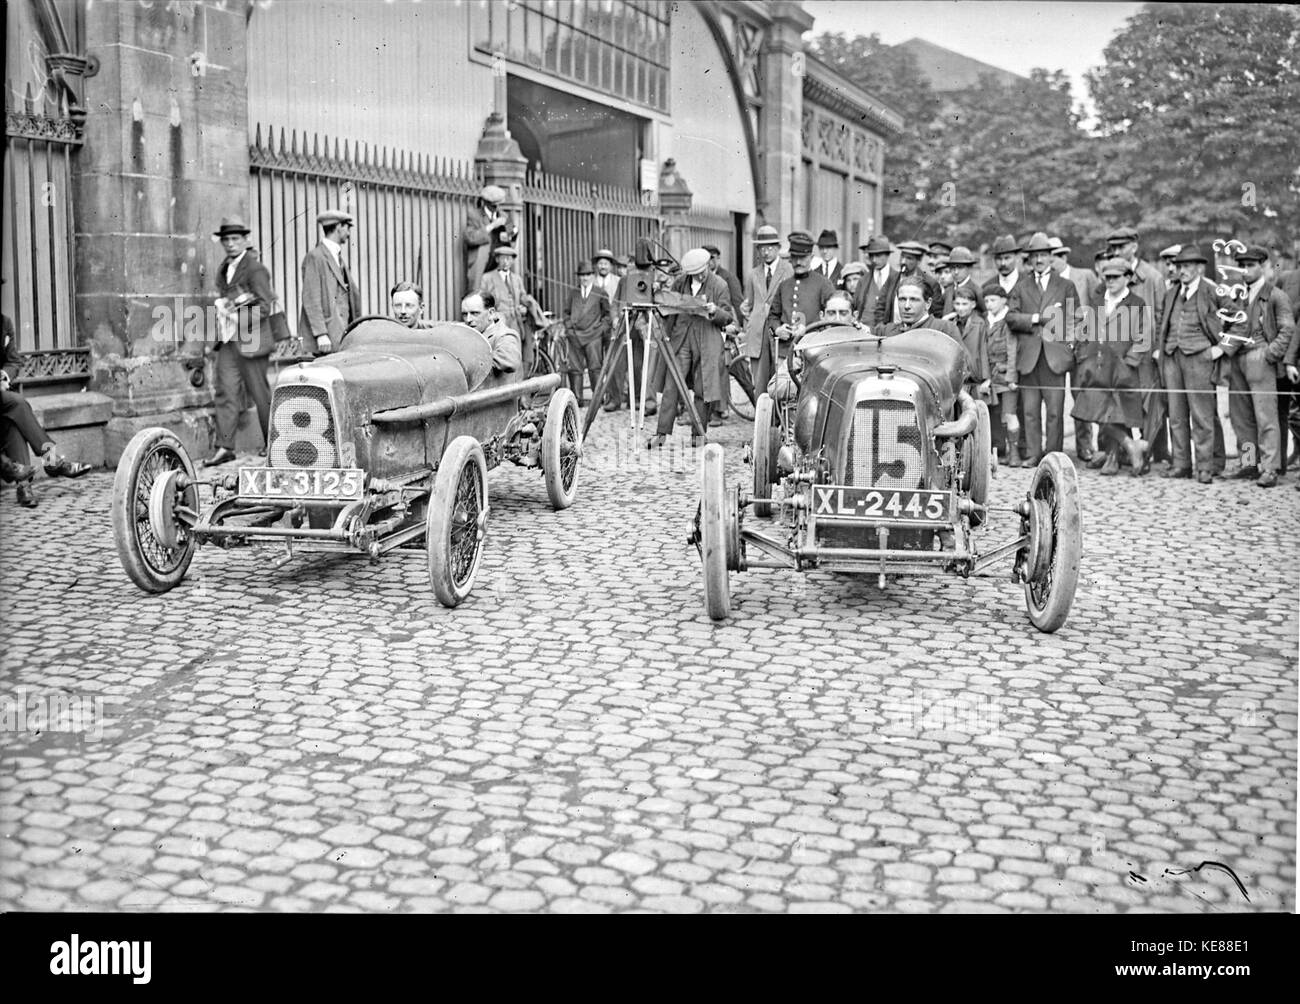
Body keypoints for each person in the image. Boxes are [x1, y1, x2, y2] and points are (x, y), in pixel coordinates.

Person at [1221, 245, 1295, 487]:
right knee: (1242, 418)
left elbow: (1287, 329)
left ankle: (1271, 468)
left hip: (1260, 358)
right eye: (1241, 265)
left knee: (1266, 417)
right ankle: (1250, 464)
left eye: (1250, 265)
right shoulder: (1236, 295)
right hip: (1237, 359)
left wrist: (1269, 355)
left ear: (1263, 266)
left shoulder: (1275, 295)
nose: (1244, 270)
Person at [205, 216, 275, 467]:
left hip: (252, 341)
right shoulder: (225, 267)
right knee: (225, 393)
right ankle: (225, 447)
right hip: (229, 341)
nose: (231, 244)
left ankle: (274, 445)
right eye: (226, 240)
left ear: (246, 240)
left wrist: (236, 316)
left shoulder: (255, 268)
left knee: (260, 394)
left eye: (235, 239)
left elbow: (266, 306)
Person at [2, 314, 92, 506]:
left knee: (13, 420)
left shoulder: (4, 322)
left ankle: (24, 486)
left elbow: (13, 362)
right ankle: (51, 460)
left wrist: (4, 375)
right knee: (18, 404)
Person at [1007, 231, 1080, 465]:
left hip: (1054, 356)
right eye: (1034, 256)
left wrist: (1067, 347)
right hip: (1028, 356)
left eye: (1043, 255)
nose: (1039, 260)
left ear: (1051, 258)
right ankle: (1033, 454)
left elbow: (1075, 318)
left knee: (1055, 411)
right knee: (1029, 410)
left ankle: (1053, 455)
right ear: (1029, 260)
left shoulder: (1065, 286)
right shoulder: (1021, 286)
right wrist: (1037, 319)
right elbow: (1011, 317)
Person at [648, 248, 733, 449]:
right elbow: (669, 308)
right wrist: (659, 298)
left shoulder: (719, 284)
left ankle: (698, 435)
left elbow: (728, 316)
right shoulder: (680, 282)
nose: (700, 275)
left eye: (703, 270)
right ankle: (661, 434)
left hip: (707, 340)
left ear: (708, 265)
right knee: (672, 386)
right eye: (695, 273)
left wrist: (715, 311)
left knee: (704, 388)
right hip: (682, 339)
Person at [1072, 258, 1149, 476]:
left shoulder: (1137, 303)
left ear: (1127, 278)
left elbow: (1143, 336)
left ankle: (1113, 458)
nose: (1111, 281)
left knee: (1116, 414)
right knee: (1092, 410)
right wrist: (1083, 354)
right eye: (1108, 277)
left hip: (1122, 370)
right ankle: (1131, 445)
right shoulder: (1097, 300)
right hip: (1096, 367)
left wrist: (1129, 363)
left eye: (1116, 277)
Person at [1155, 245, 1224, 483]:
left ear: (1199, 268)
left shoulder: (1212, 291)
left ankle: (1205, 466)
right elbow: (1161, 323)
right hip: (1172, 357)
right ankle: (1181, 463)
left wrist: (1221, 349)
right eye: (1179, 266)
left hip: (1199, 358)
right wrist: (1160, 349)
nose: (1181, 271)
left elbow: (1238, 321)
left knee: (1202, 415)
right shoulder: (1171, 293)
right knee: (1176, 414)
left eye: (1186, 266)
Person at [763, 231, 834, 395]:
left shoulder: (823, 284)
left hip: (812, 351)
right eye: (794, 258)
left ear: (811, 256)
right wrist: (778, 329)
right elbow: (773, 316)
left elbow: (831, 318)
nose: (798, 262)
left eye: (802, 257)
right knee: (782, 391)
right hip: (785, 352)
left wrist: (811, 331)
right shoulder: (784, 286)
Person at [740, 225, 793, 404]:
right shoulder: (753, 274)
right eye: (762, 248)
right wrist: (746, 314)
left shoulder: (788, 270)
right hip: (757, 333)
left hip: (778, 328)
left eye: (770, 247)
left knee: (779, 375)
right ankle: (762, 419)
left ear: (778, 248)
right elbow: (749, 302)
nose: (766, 252)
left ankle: (778, 420)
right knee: (760, 379)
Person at [299, 208, 359, 356]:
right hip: (327, 338)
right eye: (347, 228)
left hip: (341, 334)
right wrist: (320, 334)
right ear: (338, 227)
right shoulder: (316, 257)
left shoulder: (336, 257)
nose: (349, 233)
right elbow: (311, 298)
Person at [479, 245, 544, 374]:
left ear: (513, 261)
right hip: (498, 325)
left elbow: (522, 296)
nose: (506, 262)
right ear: (497, 259)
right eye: (503, 258)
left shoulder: (516, 279)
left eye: (509, 259)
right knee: (500, 357)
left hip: (516, 324)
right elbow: (483, 301)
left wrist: (524, 307)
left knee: (517, 357)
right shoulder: (487, 278)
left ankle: (518, 387)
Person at [561, 260, 612, 405]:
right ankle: (577, 400)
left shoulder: (600, 293)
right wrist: (570, 329)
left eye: (588, 275)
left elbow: (607, 316)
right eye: (582, 275)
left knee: (595, 367)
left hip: (593, 336)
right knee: (575, 369)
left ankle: (597, 399)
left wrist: (600, 330)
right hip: (575, 336)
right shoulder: (573, 293)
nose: (584, 278)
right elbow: (566, 313)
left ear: (593, 276)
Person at [981, 282, 1020, 467]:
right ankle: (998, 450)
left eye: (993, 300)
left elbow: (1012, 350)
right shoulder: (983, 321)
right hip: (989, 377)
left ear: (1004, 301)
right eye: (986, 300)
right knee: (993, 415)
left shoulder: (1009, 320)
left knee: (1009, 413)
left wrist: (1012, 377)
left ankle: (1014, 453)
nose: (989, 304)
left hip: (1005, 376)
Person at [874, 240, 940, 329]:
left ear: (918, 261)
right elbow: (880, 306)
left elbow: (935, 313)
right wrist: (882, 327)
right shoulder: (893, 278)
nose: (903, 262)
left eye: (909, 258)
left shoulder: (930, 283)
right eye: (902, 257)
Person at [878, 275, 962, 341]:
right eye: (902, 299)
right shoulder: (886, 331)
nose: (907, 306)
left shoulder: (945, 329)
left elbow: (963, 361)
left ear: (928, 303)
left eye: (914, 300)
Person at [463, 184, 513, 295]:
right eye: (494, 206)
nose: (497, 208)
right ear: (485, 202)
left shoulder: (504, 215)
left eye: (499, 205)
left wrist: (509, 236)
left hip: (498, 261)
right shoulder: (475, 215)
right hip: (482, 262)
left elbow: (511, 239)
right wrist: (492, 226)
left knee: (498, 294)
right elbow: (471, 238)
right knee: (477, 293)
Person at [460, 292, 521, 377]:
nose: (468, 319)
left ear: (491, 313)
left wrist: (468, 359)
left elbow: (510, 360)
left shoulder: (505, 335)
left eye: (475, 313)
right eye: (464, 314)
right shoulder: (470, 331)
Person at [951, 286, 990, 401]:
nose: (960, 308)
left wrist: (986, 378)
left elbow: (984, 350)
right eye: (957, 304)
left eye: (964, 304)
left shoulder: (979, 324)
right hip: (958, 377)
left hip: (975, 378)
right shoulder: (951, 323)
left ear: (973, 305)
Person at [855, 235, 893, 327]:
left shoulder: (897, 279)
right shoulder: (863, 280)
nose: (874, 260)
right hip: (865, 332)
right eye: (871, 255)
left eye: (878, 255)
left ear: (887, 255)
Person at [941, 246, 984, 317]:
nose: (956, 272)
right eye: (952, 268)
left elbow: (985, 314)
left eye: (960, 268)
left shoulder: (977, 291)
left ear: (969, 268)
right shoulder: (948, 290)